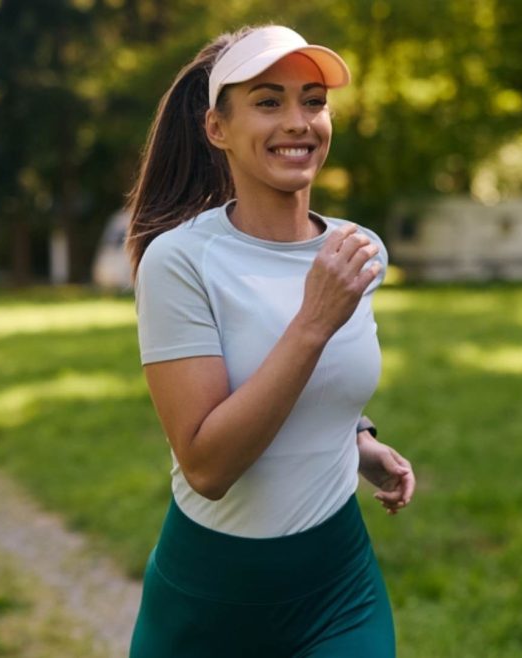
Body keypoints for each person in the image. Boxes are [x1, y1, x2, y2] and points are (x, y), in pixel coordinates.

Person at [125, 25, 416, 657]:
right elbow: (208, 467)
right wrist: (313, 321)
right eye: (267, 102)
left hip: (338, 591)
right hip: (208, 605)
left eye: (313, 101)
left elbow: (323, 379)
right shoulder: (180, 262)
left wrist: (356, 439)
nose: (298, 122)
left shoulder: (357, 252)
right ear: (217, 128)